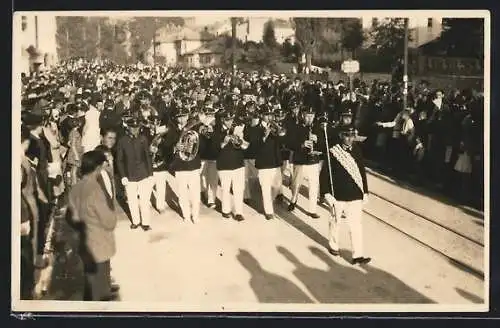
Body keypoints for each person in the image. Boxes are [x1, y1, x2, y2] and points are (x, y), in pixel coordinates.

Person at [67, 150, 119, 301]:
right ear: (97, 167)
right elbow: (109, 222)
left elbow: (71, 217)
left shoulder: (75, 188)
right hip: (99, 245)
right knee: (101, 291)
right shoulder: (96, 190)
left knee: (90, 282)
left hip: (83, 243)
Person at [320, 125, 371, 265]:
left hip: (355, 193)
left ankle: (358, 254)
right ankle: (334, 245)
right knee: (335, 222)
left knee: (356, 225)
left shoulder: (357, 151)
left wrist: (365, 191)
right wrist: (325, 193)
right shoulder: (333, 152)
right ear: (341, 136)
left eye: (352, 136)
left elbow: (362, 173)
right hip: (338, 194)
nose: (350, 139)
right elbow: (325, 174)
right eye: (347, 136)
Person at [115, 118, 154, 231]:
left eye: (137, 128)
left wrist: (150, 174)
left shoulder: (143, 139)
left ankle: (145, 223)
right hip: (129, 175)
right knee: (132, 200)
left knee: (144, 200)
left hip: (143, 174)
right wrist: (123, 176)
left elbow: (147, 157)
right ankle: (136, 221)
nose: (135, 130)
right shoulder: (122, 141)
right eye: (132, 127)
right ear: (128, 128)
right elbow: (120, 160)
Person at [212, 110, 248, 221]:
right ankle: (226, 210)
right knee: (226, 189)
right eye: (227, 119)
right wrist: (224, 141)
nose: (230, 122)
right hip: (224, 165)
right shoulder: (216, 130)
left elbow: (246, 147)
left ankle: (239, 212)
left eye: (231, 119)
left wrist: (241, 139)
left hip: (238, 163)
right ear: (223, 119)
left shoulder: (238, 129)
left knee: (238, 189)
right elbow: (214, 149)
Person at [288, 106, 322, 218]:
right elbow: (290, 144)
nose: (310, 118)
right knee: (296, 183)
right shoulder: (296, 127)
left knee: (314, 185)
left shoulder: (318, 128)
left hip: (313, 161)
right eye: (307, 116)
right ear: (303, 115)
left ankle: (312, 209)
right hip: (301, 160)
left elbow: (323, 144)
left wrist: (318, 140)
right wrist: (302, 145)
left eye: (312, 116)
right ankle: (294, 199)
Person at [255, 106, 286, 220]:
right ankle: (268, 211)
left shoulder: (274, 127)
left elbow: (282, 141)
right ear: (262, 116)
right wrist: (265, 135)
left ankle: (270, 201)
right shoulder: (256, 128)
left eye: (270, 115)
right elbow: (255, 146)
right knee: (266, 187)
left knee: (277, 186)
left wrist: (277, 132)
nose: (269, 117)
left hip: (275, 161)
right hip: (263, 162)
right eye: (266, 114)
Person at [21, 125, 37, 300]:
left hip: (23, 209)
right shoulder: (20, 160)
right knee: (24, 247)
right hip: (22, 211)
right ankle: (26, 287)